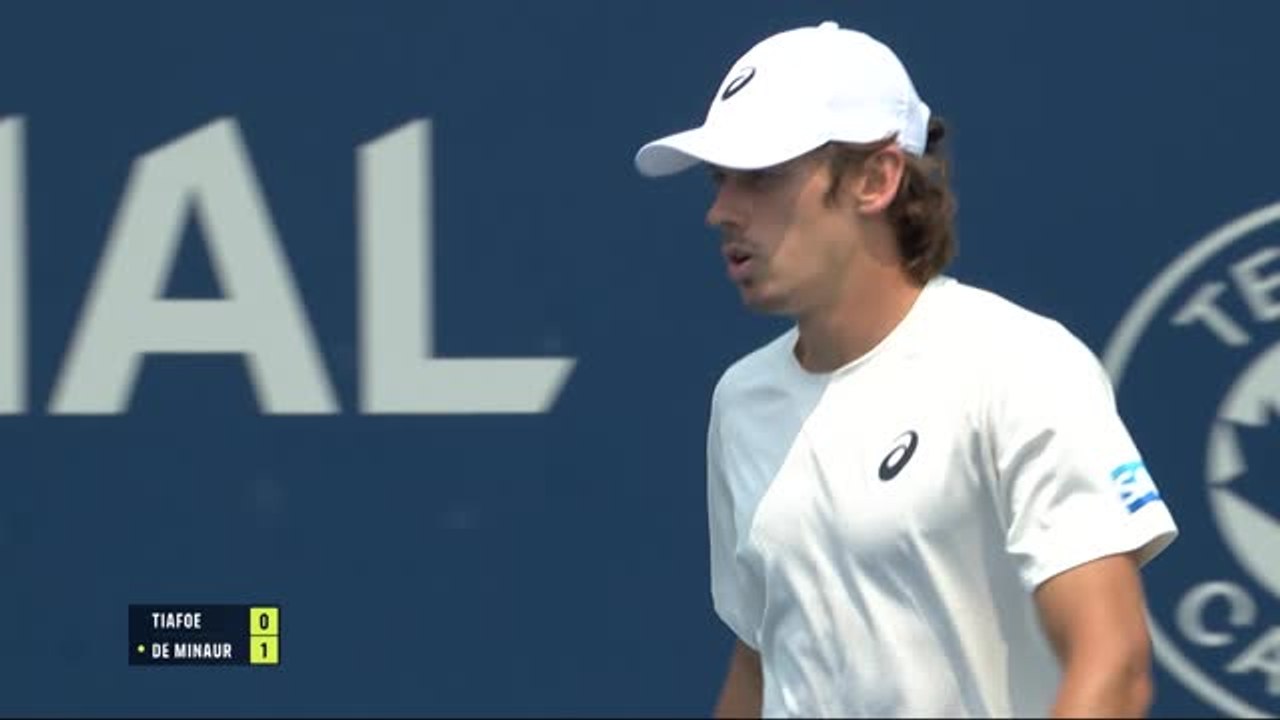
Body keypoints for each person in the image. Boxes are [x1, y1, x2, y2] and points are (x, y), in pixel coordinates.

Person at [632, 20, 1179, 719]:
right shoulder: (741, 402)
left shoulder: (1019, 363)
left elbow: (1113, 665)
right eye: (719, 179)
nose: (720, 211)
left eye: (761, 177)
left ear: (876, 178)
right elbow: (764, 661)